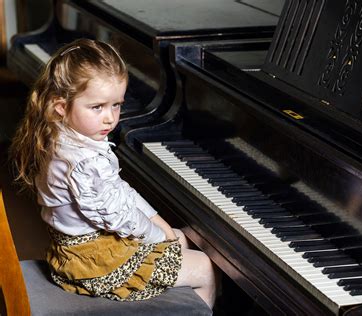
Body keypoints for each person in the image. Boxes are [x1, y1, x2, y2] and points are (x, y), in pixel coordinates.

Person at [10, 38, 216, 307]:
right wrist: (157, 235)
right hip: (95, 263)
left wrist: (158, 221)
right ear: (62, 106)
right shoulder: (82, 162)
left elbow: (119, 191)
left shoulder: (64, 135)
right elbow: (118, 216)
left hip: (83, 250)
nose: (110, 118)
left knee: (179, 237)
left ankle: (168, 307)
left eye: (116, 105)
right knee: (205, 268)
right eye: (97, 107)